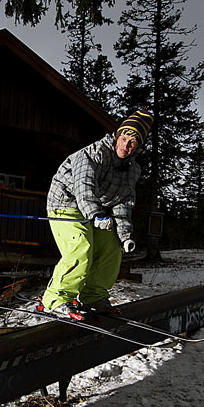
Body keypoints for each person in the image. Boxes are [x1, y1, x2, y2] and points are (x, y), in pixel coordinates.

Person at [37, 110, 153, 320]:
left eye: (132, 142)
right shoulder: (93, 154)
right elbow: (84, 187)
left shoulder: (132, 170)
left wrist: (125, 235)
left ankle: (92, 297)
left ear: (138, 147)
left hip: (97, 210)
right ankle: (55, 299)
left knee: (112, 248)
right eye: (124, 138)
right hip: (65, 203)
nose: (126, 145)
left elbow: (123, 202)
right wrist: (96, 214)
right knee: (81, 246)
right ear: (117, 137)